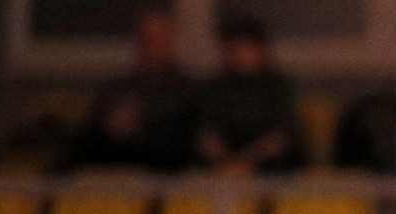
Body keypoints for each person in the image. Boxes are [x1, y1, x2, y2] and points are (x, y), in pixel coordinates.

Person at [71, 8, 197, 171]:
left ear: (171, 40)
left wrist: (143, 123)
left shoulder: (189, 89)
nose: (153, 45)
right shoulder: (115, 88)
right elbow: (89, 135)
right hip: (115, 168)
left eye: (160, 38)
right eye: (146, 39)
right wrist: (112, 125)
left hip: (167, 171)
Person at [194, 15, 305, 173]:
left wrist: (247, 162)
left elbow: (280, 137)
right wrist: (227, 164)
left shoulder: (277, 87)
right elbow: (207, 135)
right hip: (221, 171)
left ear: (261, 49)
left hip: (271, 170)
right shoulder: (214, 88)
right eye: (234, 47)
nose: (241, 54)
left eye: (247, 47)